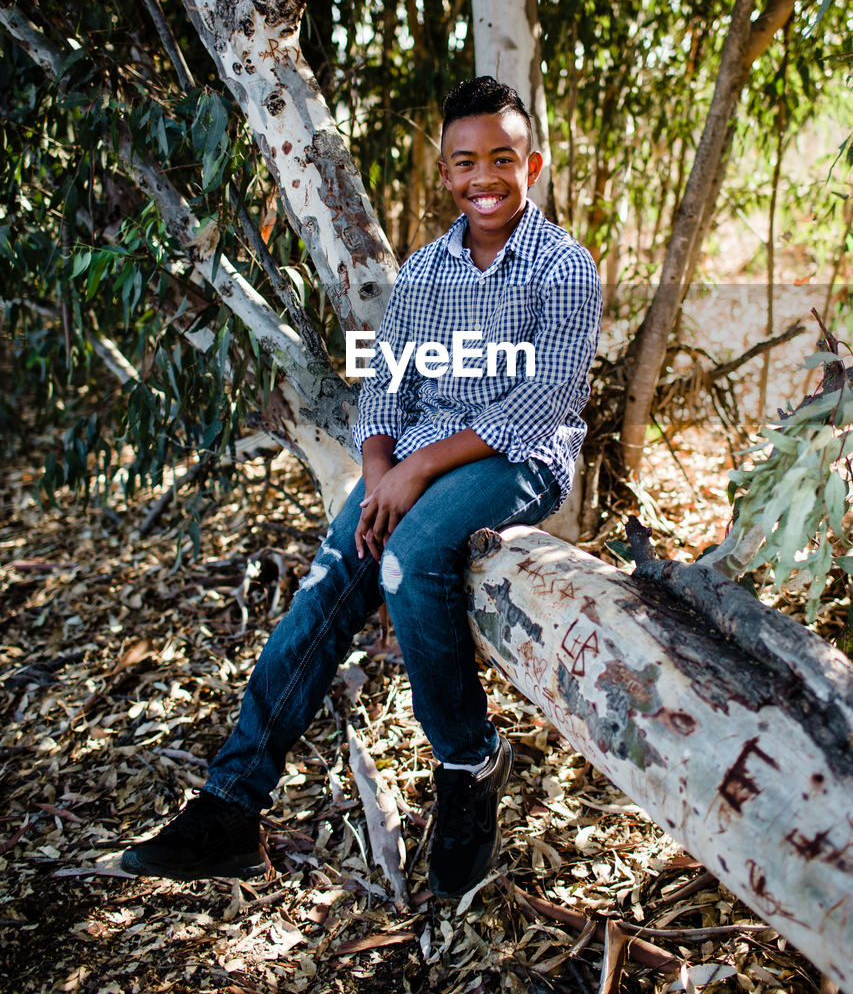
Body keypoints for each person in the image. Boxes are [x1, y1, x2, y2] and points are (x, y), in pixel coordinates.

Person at [121, 76, 602, 897]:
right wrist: (379, 467)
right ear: (445, 172)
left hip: (518, 458)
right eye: (464, 161)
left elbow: (543, 396)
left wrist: (413, 470)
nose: (483, 176)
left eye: (502, 158)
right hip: (412, 459)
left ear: (533, 164)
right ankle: (231, 805)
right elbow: (385, 385)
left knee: (410, 556)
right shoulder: (424, 270)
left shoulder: (564, 267)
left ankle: (466, 763)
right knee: (322, 593)